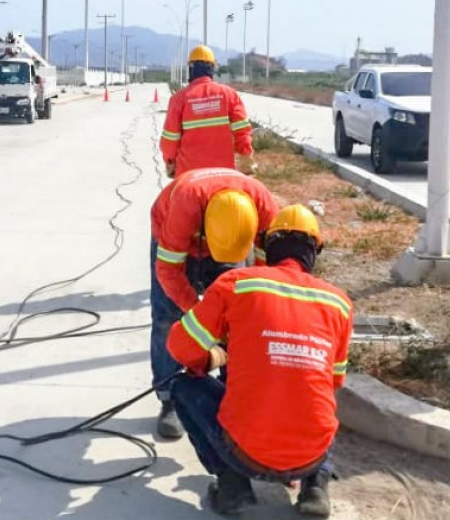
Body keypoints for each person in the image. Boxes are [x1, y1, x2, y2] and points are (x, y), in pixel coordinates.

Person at [165, 204, 353, 517]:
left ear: (267, 246)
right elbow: (334, 381)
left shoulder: (237, 283)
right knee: (320, 396)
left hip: (245, 455)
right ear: (314, 251)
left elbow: (179, 347)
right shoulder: (339, 303)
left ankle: (232, 485)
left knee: (183, 386)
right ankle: (316, 486)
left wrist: (210, 358)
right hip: (311, 455)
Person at [149, 167, 278, 439]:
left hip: (227, 240)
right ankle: (169, 398)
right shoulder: (185, 205)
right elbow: (168, 272)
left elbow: (268, 266)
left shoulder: (264, 206)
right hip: (175, 238)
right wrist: (198, 316)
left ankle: (231, 397)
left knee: (237, 320)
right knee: (167, 319)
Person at [160, 45, 256, 178]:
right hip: (223, 173)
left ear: (191, 69)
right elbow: (242, 131)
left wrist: (170, 161)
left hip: (189, 175)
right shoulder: (229, 95)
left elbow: (170, 139)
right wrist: (246, 157)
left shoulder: (178, 99)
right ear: (212, 68)